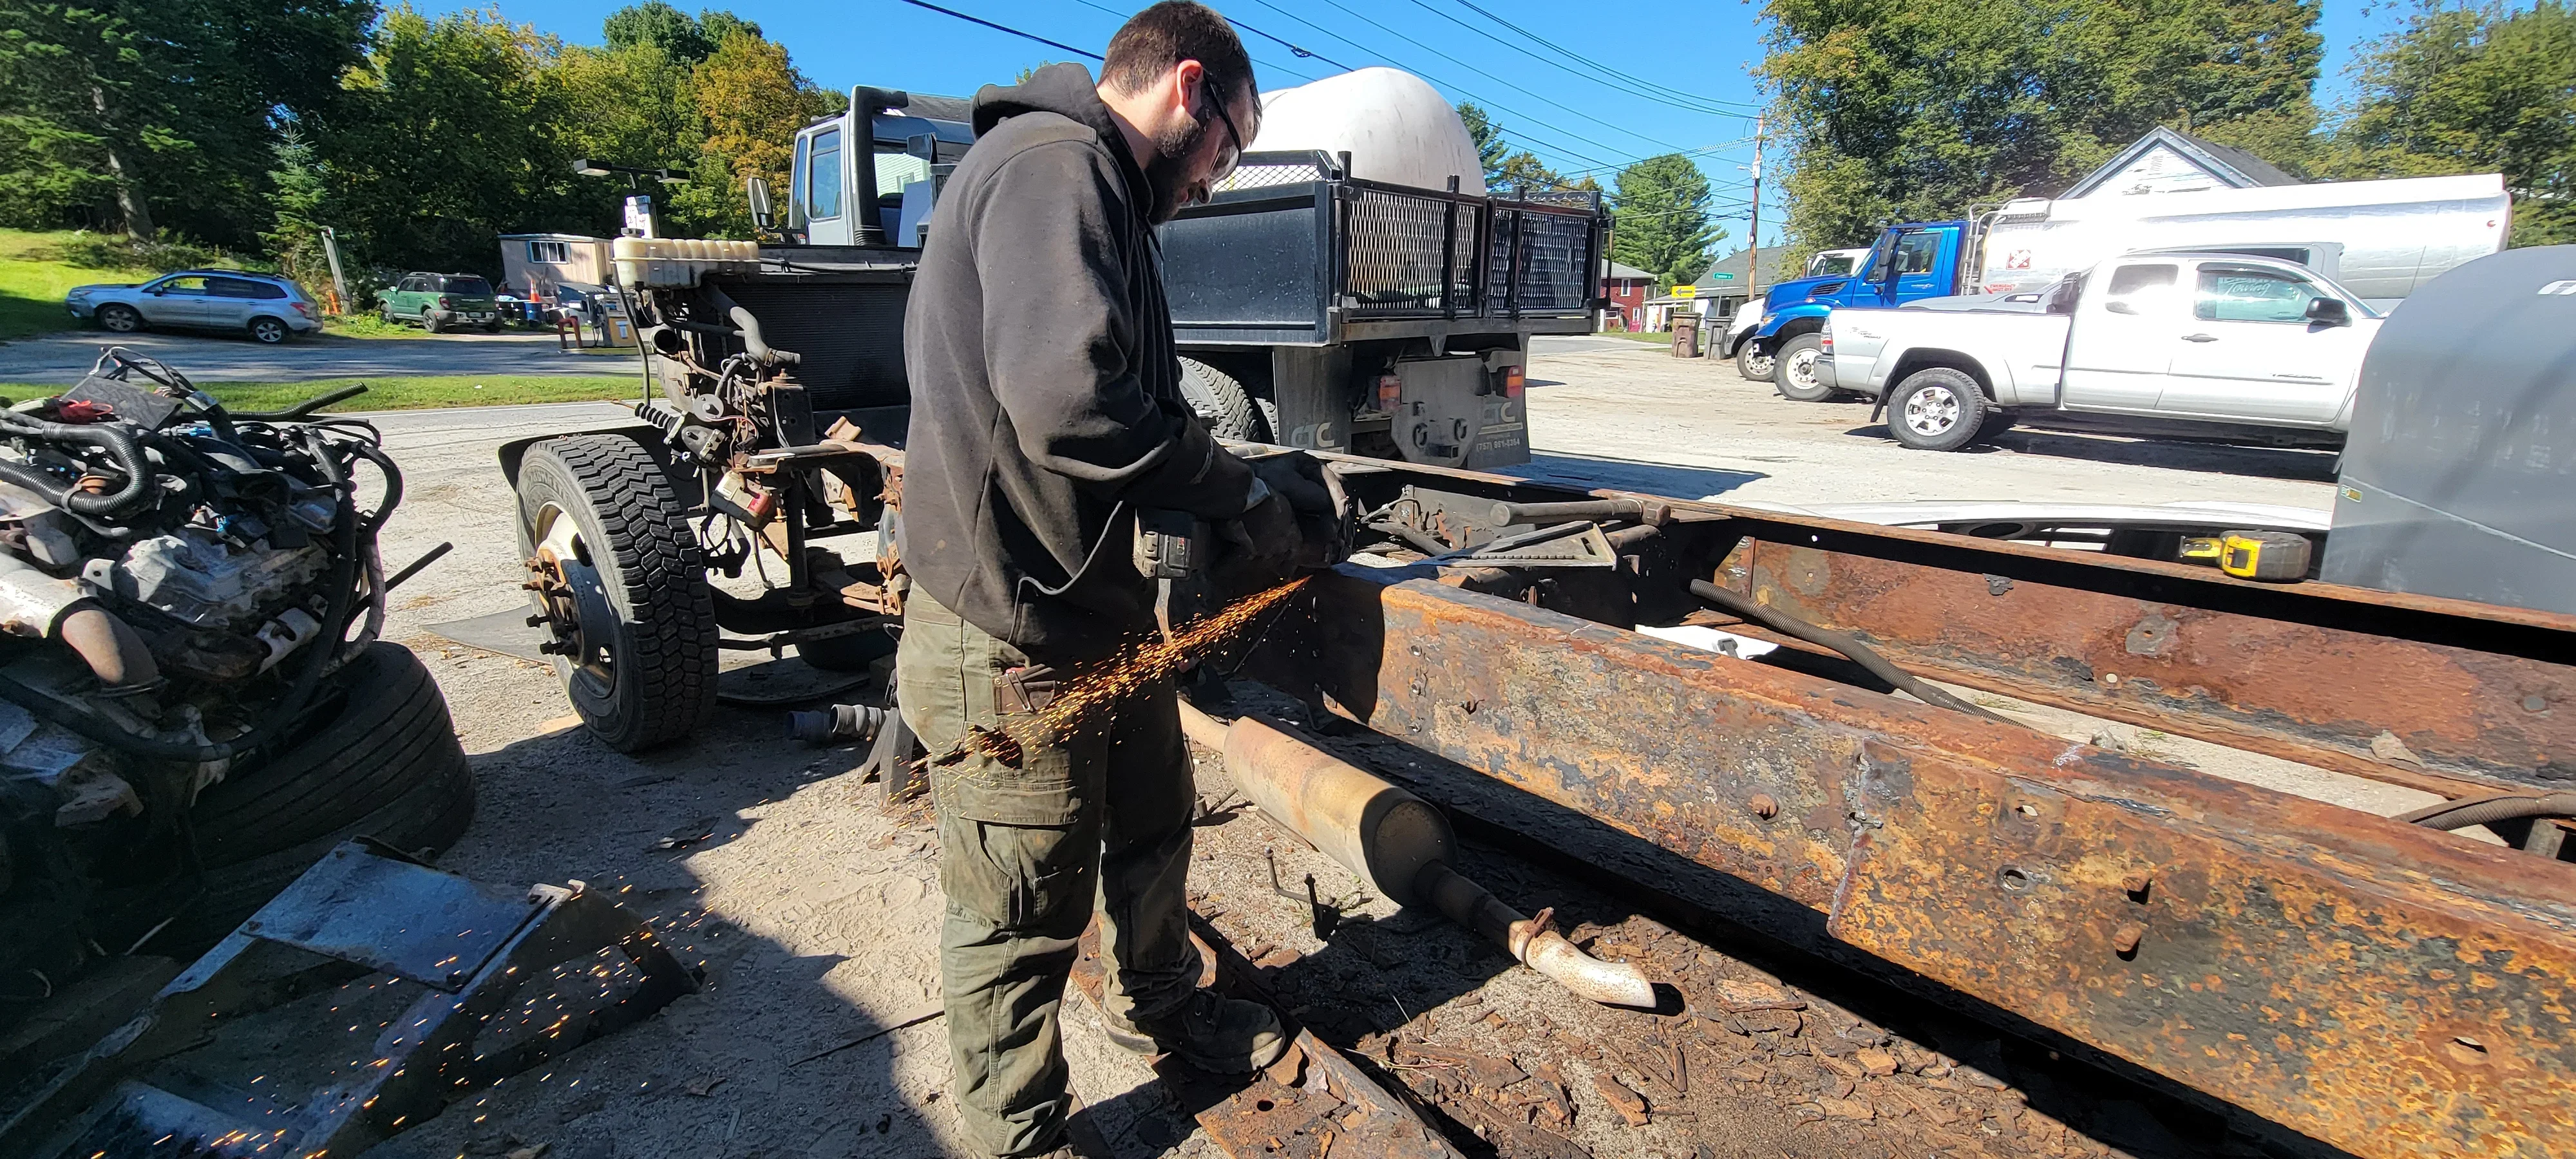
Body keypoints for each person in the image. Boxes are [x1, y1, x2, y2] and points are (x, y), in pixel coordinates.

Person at [895, 5, 1328, 1156]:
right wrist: (1233, 490)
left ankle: (1162, 1008)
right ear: (1189, 87)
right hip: (1011, 625)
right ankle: (1019, 1135)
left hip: (1093, 611)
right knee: (1021, 910)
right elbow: (1071, 404)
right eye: (1230, 143)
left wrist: (1239, 476)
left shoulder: (1107, 197)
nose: (1218, 175)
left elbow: (1139, 402)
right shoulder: (1055, 167)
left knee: (1151, 816)